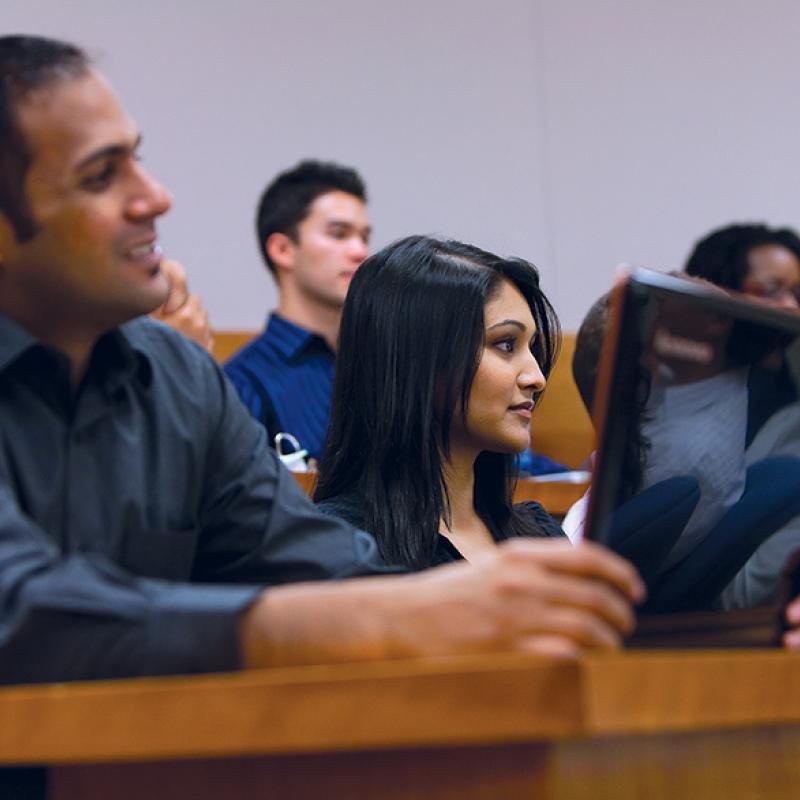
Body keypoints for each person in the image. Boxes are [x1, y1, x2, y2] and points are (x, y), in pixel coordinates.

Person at [0, 34, 645, 690]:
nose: (156, 196)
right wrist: (387, 618)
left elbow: (308, 557)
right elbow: (18, 612)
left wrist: (461, 608)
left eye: (138, 159)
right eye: (101, 176)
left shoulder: (179, 376)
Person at [314, 235, 568, 568]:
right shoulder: (338, 548)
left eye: (531, 348)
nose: (537, 378)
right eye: (506, 344)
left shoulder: (540, 536)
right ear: (421, 360)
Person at [683, 224, 800, 615]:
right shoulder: (684, 386)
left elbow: (745, 591)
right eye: (773, 291)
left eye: (798, 294)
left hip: (746, 613)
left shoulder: (791, 410)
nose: (791, 308)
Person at [224, 160, 371, 460]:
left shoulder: (377, 360)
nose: (360, 251)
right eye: (339, 233)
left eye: (364, 237)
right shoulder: (242, 382)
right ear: (282, 249)